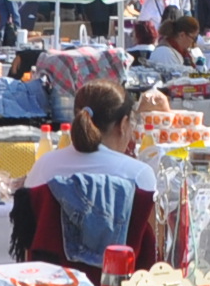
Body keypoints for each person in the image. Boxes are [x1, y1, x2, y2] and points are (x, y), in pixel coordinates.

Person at [19, 81, 159, 269]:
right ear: (124, 124)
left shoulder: (45, 166)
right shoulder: (138, 174)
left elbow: (29, 239)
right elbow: (154, 246)